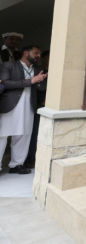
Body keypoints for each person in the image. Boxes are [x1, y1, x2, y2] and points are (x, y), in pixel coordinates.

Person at [0, 45, 47, 174]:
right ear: (25, 53)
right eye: (36, 52)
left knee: (23, 135)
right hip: (11, 105)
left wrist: (39, 81)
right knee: (2, 135)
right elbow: (5, 83)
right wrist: (30, 81)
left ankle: (16, 165)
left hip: (29, 106)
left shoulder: (38, 69)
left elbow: (41, 87)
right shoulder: (9, 65)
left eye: (39, 53)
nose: (38, 55)